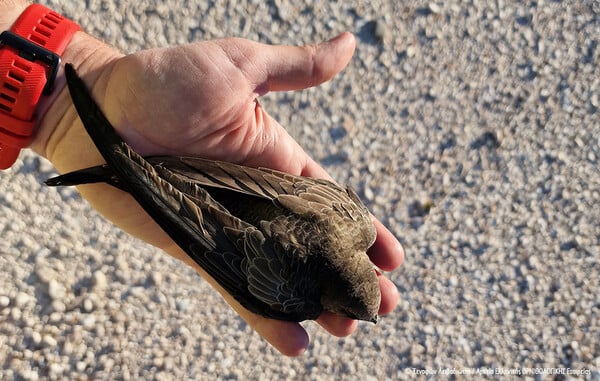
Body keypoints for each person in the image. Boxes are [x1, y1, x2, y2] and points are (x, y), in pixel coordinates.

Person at [1, 1, 404, 356]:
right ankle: (126, 166)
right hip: (219, 212)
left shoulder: (351, 220)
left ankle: (126, 165)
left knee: (142, 178)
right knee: (154, 192)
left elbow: (279, 190)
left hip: (243, 183)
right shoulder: (297, 298)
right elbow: (213, 242)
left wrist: (64, 103)